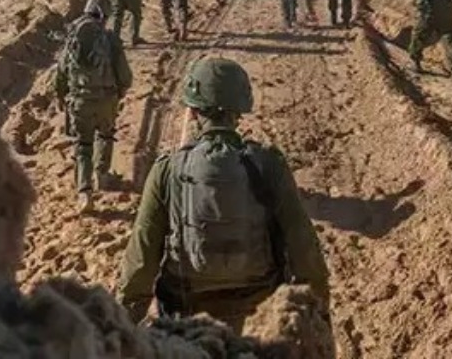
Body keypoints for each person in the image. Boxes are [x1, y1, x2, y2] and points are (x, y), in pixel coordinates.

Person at [116, 57, 330, 331]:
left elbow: (141, 257)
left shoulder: (168, 170)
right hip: (258, 315)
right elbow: (303, 247)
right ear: (239, 110)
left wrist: (124, 322)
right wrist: (319, 315)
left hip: (185, 316)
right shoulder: (268, 165)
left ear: (194, 110)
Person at [53, 0, 133, 210]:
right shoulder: (110, 39)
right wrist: (122, 90)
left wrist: (60, 94)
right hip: (106, 99)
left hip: (80, 100)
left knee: (83, 145)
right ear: (104, 16)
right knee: (106, 135)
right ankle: (102, 175)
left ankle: (85, 192)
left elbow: (61, 71)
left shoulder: (72, 38)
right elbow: (124, 74)